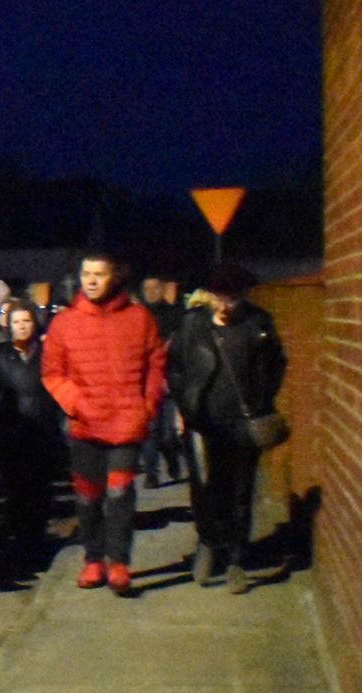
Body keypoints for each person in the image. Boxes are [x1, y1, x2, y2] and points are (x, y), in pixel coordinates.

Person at [41, 253, 167, 595]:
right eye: (86, 273)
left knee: (120, 493)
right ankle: (93, 559)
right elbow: (52, 373)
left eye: (99, 274)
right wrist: (76, 404)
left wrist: (147, 406)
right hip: (85, 425)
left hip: (127, 423)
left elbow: (156, 364)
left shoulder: (140, 318)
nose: (91, 280)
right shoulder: (64, 323)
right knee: (88, 497)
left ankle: (119, 562)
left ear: (115, 277)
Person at [168, 266, 287, 593]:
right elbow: (175, 368)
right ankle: (208, 543)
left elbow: (276, 364)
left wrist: (263, 401)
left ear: (244, 296)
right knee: (205, 491)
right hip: (202, 422)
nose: (224, 305)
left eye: (232, 298)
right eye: (219, 297)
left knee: (240, 492)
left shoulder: (259, 324)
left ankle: (236, 560)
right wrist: (183, 406)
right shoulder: (193, 325)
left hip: (243, 423)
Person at [0, 299, 64, 561]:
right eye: (16, 321)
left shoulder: (47, 353)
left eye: (26, 320)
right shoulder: (0, 357)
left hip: (43, 426)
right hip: (12, 428)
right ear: (9, 325)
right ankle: (19, 539)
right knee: (16, 488)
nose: (22, 326)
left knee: (41, 487)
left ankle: (37, 538)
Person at [140, 275, 187, 487]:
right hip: (146, 382)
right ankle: (152, 473)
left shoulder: (175, 315)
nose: (151, 292)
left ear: (162, 290)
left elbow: (179, 346)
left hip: (169, 380)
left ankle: (172, 456)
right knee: (150, 430)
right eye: (147, 289)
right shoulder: (138, 316)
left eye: (155, 288)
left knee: (169, 433)